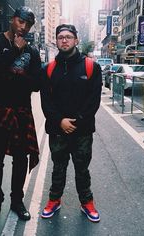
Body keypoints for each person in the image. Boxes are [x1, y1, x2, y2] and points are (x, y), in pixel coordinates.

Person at [0, 6, 41, 225]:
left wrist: (12, 75)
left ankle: (17, 201)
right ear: (12, 19)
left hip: (22, 111)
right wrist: (14, 52)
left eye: (28, 24)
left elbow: (36, 85)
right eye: (21, 22)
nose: (24, 28)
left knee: (20, 157)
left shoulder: (32, 52)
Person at [40, 24, 102, 222]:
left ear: (76, 40)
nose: (64, 40)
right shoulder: (49, 69)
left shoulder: (91, 66)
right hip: (58, 131)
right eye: (60, 37)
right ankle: (54, 200)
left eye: (68, 37)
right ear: (56, 41)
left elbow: (93, 100)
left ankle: (87, 202)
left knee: (82, 169)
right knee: (58, 168)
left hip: (82, 131)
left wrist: (76, 121)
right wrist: (60, 121)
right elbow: (46, 101)